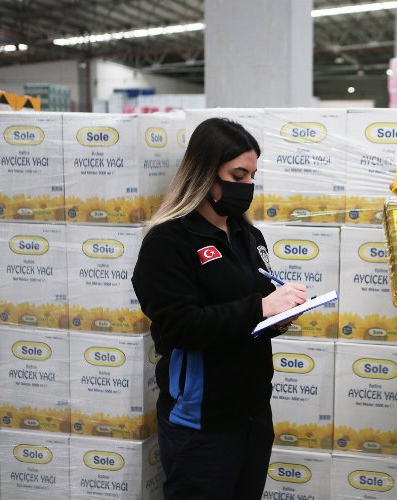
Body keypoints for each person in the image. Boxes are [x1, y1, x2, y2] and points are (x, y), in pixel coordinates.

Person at [132, 118, 307, 499]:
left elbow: (253, 308)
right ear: (204, 172)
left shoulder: (248, 234)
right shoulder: (169, 241)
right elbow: (179, 326)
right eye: (237, 175)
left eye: (252, 176)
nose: (246, 187)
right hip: (201, 423)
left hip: (254, 414)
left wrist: (280, 316)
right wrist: (260, 307)